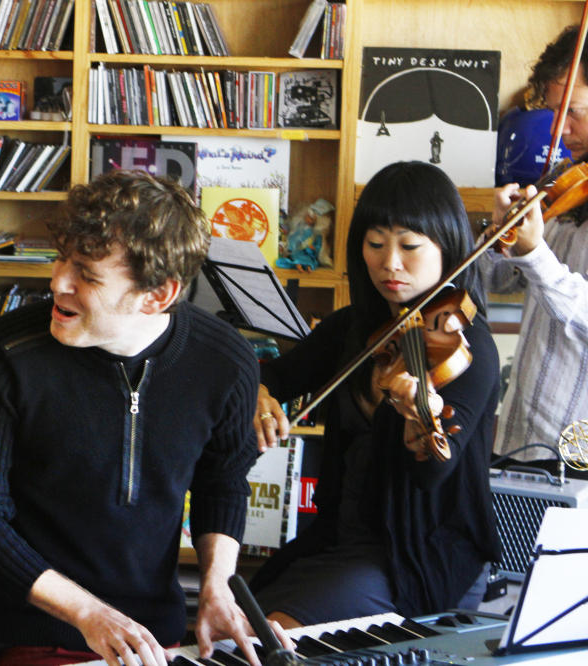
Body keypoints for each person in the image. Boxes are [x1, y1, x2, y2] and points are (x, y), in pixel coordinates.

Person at [0, 169, 290, 666]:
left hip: (155, 633)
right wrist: (89, 615)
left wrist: (216, 589)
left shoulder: (226, 360)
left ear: (158, 295)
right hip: (39, 629)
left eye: (87, 274)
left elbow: (222, 484)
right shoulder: (11, 350)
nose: (57, 281)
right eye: (63, 258)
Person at [249, 161, 501, 627]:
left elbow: (432, 476)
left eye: (409, 245)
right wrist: (262, 393)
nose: (390, 263)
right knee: (233, 621)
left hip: (419, 554)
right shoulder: (353, 329)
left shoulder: (469, 347)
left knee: (273, 635)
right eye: (375, 243)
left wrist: (416, 418)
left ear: (447, 246)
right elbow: (277, 375)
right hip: (338, 542)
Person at [480, 24, 588, 462]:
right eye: (554, 113)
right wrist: (498, 234)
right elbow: (500, 280)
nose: (562, 131)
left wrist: (536, 254)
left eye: (575, 112)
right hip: (520, 433)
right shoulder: (566, 181)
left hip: (577, 450)